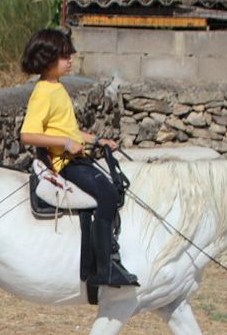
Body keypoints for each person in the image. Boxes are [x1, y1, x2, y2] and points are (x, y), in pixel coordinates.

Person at [17, 28, 138, 288]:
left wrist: (95, 140)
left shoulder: (57, 87)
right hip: (65, 165)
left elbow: (67, 129)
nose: (70, 58)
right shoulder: (43, 93)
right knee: (106, 192)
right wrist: (65, 143)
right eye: (63, 55)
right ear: (47, 60)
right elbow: (27, 134)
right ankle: (104, 268)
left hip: (75, 157)